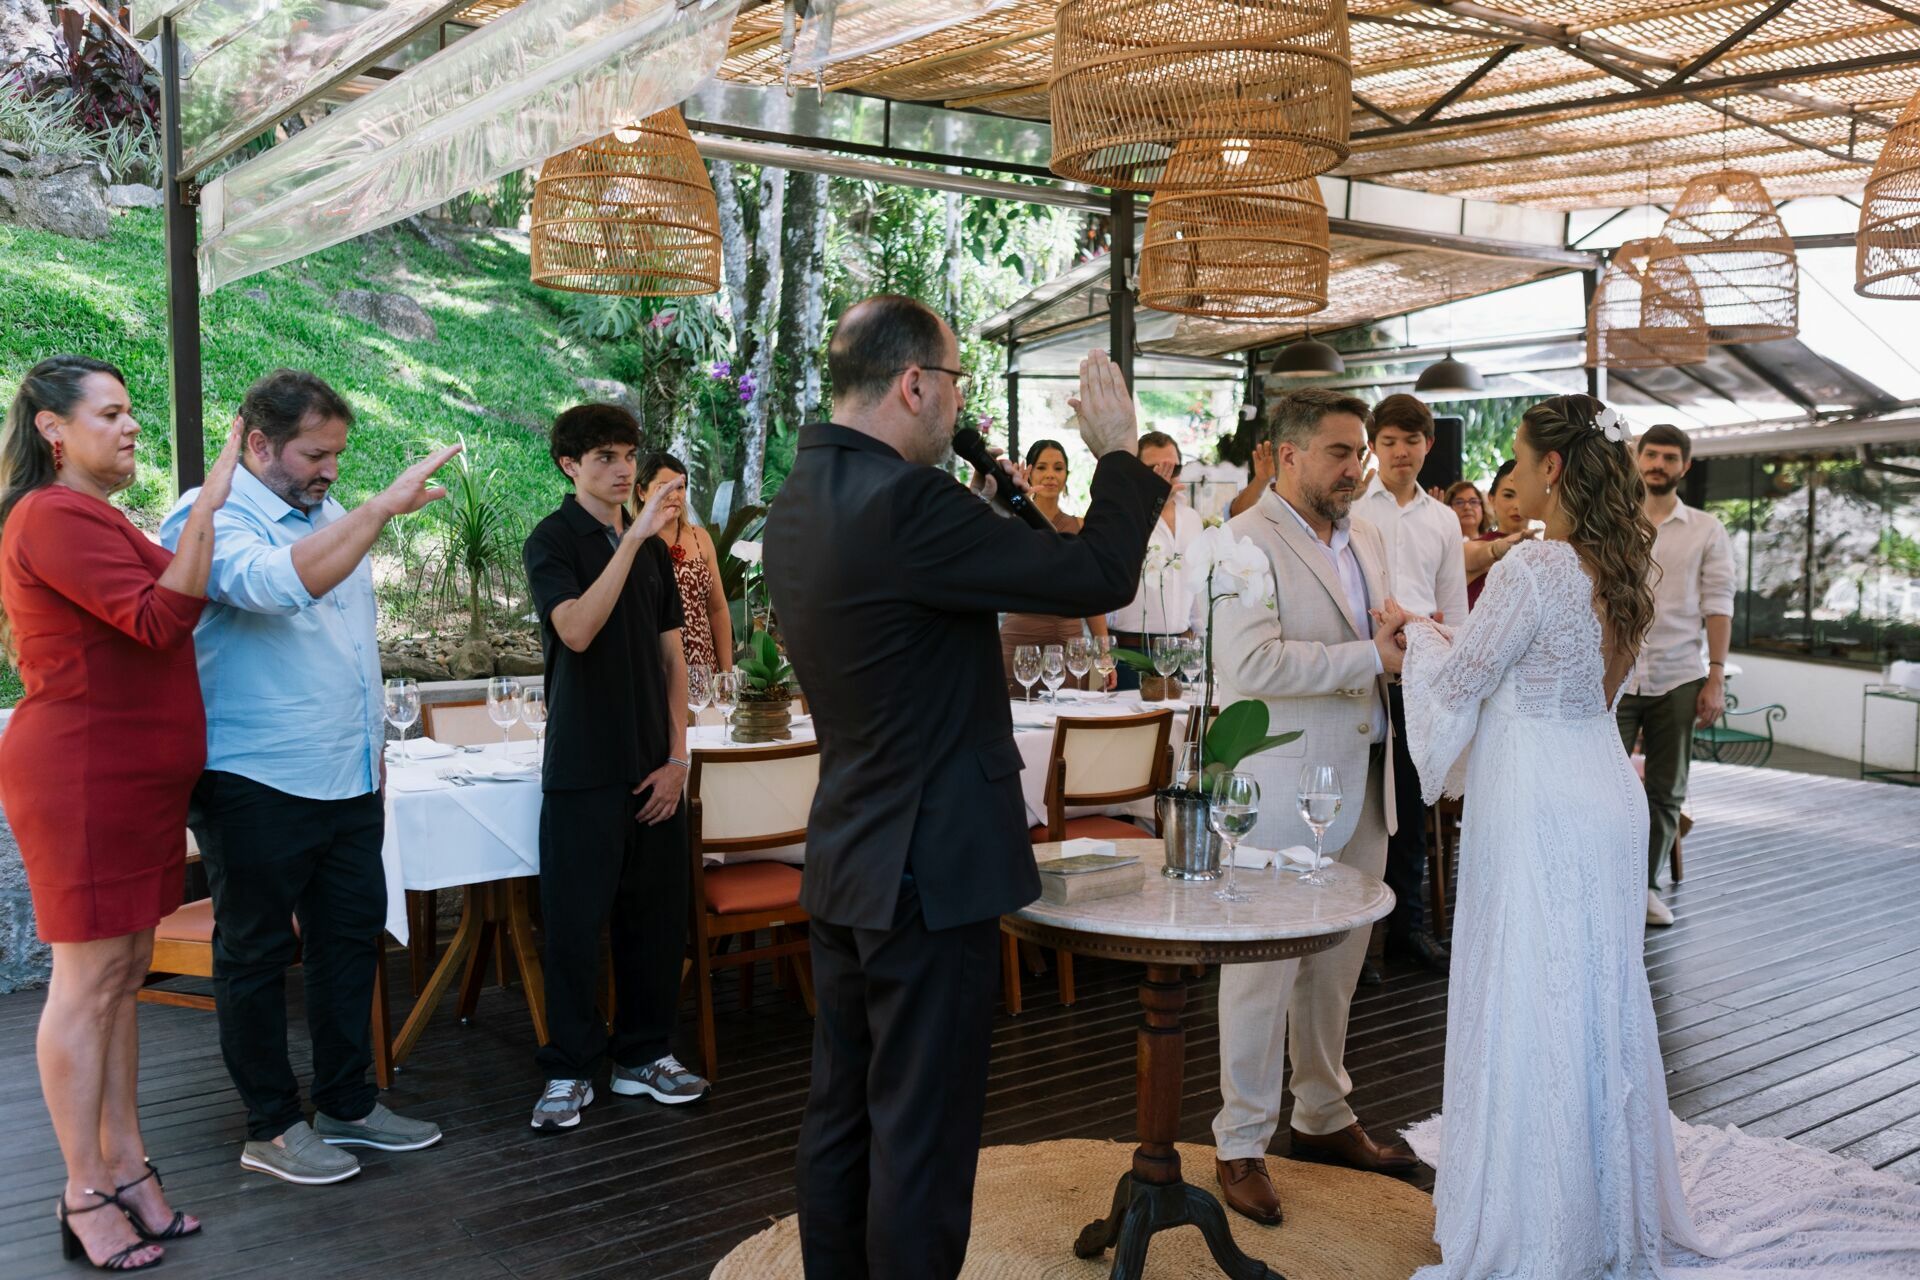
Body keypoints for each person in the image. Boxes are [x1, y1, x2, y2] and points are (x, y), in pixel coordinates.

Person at [1390, 394, 1920, 1277]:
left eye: (1519, 460)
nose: (1511, 477)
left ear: (1552, 468)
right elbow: (1575, 690)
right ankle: (1601, 1200)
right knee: (1592, 997)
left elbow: (1467, 680)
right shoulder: (1627, 563)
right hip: (1599, 790)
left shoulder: (1533, 568)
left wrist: (1414, 640)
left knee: (1532, 992)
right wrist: (1451, 641)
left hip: (1538, 806)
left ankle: (1540, 1218)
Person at [765, 295, 1166, 1279]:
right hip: (929, 869)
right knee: (923, 1137)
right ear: (913, 383)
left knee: (844, 1115)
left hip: (850, 850)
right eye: (953, 383)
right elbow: (1100, 572)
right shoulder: (909, 502)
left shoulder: (801, 496)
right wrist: (1118, 450)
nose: (957, 405)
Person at [161, 370, 455, 1186]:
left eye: (337, 455)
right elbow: (275, 587)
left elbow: (350, 648)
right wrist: (381, 509)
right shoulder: (205, 517)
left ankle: (348, 1104)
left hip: (349, 778)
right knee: (255, 956)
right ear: (259, 444)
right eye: (314, 454)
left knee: (348, 945)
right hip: (255, 780)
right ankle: (272, 1126)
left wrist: (375, 755)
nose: (330, 470)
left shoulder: (329, 516)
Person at [0, 357, 240, 1271]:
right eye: (112, 413)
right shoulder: (49, 515)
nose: (131, 425)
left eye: (131, 410)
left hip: (131, 783)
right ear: (54, 430)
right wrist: (210, 507)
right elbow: (156, 619)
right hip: (83, 779)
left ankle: (128, 1164)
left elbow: (186, 596)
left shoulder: (96, 516)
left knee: (124, 973)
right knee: (87, 983)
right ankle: (82, 1190)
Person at [1208, 387, 1419, 1228]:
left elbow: (1381, 640)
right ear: (1285, 455)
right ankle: (1240, 1142)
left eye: (1360, 450)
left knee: (1337, 965)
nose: (1357, 466)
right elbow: (1250, 665)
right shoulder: (1238, 545)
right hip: (1277, 788)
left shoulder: (1366, 533)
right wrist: (1371, 651)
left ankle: (1323, 1117)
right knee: (1260, 970)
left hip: (1366, 778)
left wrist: (1409, 641)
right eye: (1340, 451)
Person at [522, 406, 707, 1130]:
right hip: (582, 763)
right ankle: (569, 1069)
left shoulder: (657, 554)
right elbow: (574, 628)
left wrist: (677, 756)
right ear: (570, 465)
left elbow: (673, 660)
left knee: (656, 920)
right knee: (573, 925)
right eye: (605, 456)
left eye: (628, 454)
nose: (623, 468)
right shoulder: (553, 540)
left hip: (652, 763)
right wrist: (631, 539)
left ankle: (643, 1055)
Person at [1352, 393, 1465, 975]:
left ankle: (1407, 930)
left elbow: (1454, 612)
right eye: (1389, 441)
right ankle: (1359, 938)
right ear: (1373, 446)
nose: (1401, 452)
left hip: (1419, 677)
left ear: (1429, 445)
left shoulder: (1443, 519)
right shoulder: (1353, 509)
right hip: (1362, 669)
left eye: (1411, 441)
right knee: (1364, 808)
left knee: (1412, 812)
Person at [1615, 423, 1733, 928]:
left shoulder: (1707, 529)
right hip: (1616, 672)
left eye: (1669, 457)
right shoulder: (1616, 520)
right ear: (1637, 458)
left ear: (1685, 466)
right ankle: (1606, 879)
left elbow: (1719, 604)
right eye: (1651, 454)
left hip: (1680, 673)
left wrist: (1716, 676)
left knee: (1667, 791)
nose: (1658, 465)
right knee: (1605, 783)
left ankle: (1643, 886)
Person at [997, 438, 1113, 693]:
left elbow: (1090, 596)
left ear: (1066, 475)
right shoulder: (1011, 523)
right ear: (1029, 471)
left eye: (1058, 468)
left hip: (1069, 645)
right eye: (1042, 467)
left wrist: (1103, 652)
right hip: (1019, 639)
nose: (1050, 475)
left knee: (1066, 725)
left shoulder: (1081, 527)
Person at [1108, 430, 1205, 690]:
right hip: (1132, 649)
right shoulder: (1120, 516)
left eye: (1173, 468)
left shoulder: (1193, 518)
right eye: (1155, 469)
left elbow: (1197, 583)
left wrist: (1203, 642)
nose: (1166, 475)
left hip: (1184, 649)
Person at [638, 451, 732, 674]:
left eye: (680, 487)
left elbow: (718, 609)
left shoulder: (701, 538)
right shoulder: (633, 542)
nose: (674, 495)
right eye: (664, 487)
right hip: (655, 666)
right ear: (641, 492)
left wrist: (726, 674)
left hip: (704, 667)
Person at [1458, 464, 1533, 610]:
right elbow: (1476, 555)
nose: (1517, 505)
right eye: (1508, 495)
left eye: (1525, 495)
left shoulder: (1545, 551)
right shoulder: (1473, 547)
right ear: (1491, 499)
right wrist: (1498, 548)